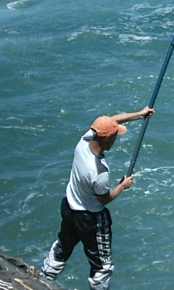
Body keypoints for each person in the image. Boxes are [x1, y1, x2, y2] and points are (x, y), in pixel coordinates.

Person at [42, 107, 154, 290]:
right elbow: (104, 199)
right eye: (115, 136)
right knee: (102, 266)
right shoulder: (99, 172)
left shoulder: (84, 141)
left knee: (63, 246)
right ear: (108, 138)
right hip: (90, 219)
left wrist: (139, 115)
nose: (116, 138)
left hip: (69, 206)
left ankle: (44, 276)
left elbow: (111, 120)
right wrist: (122, 186)